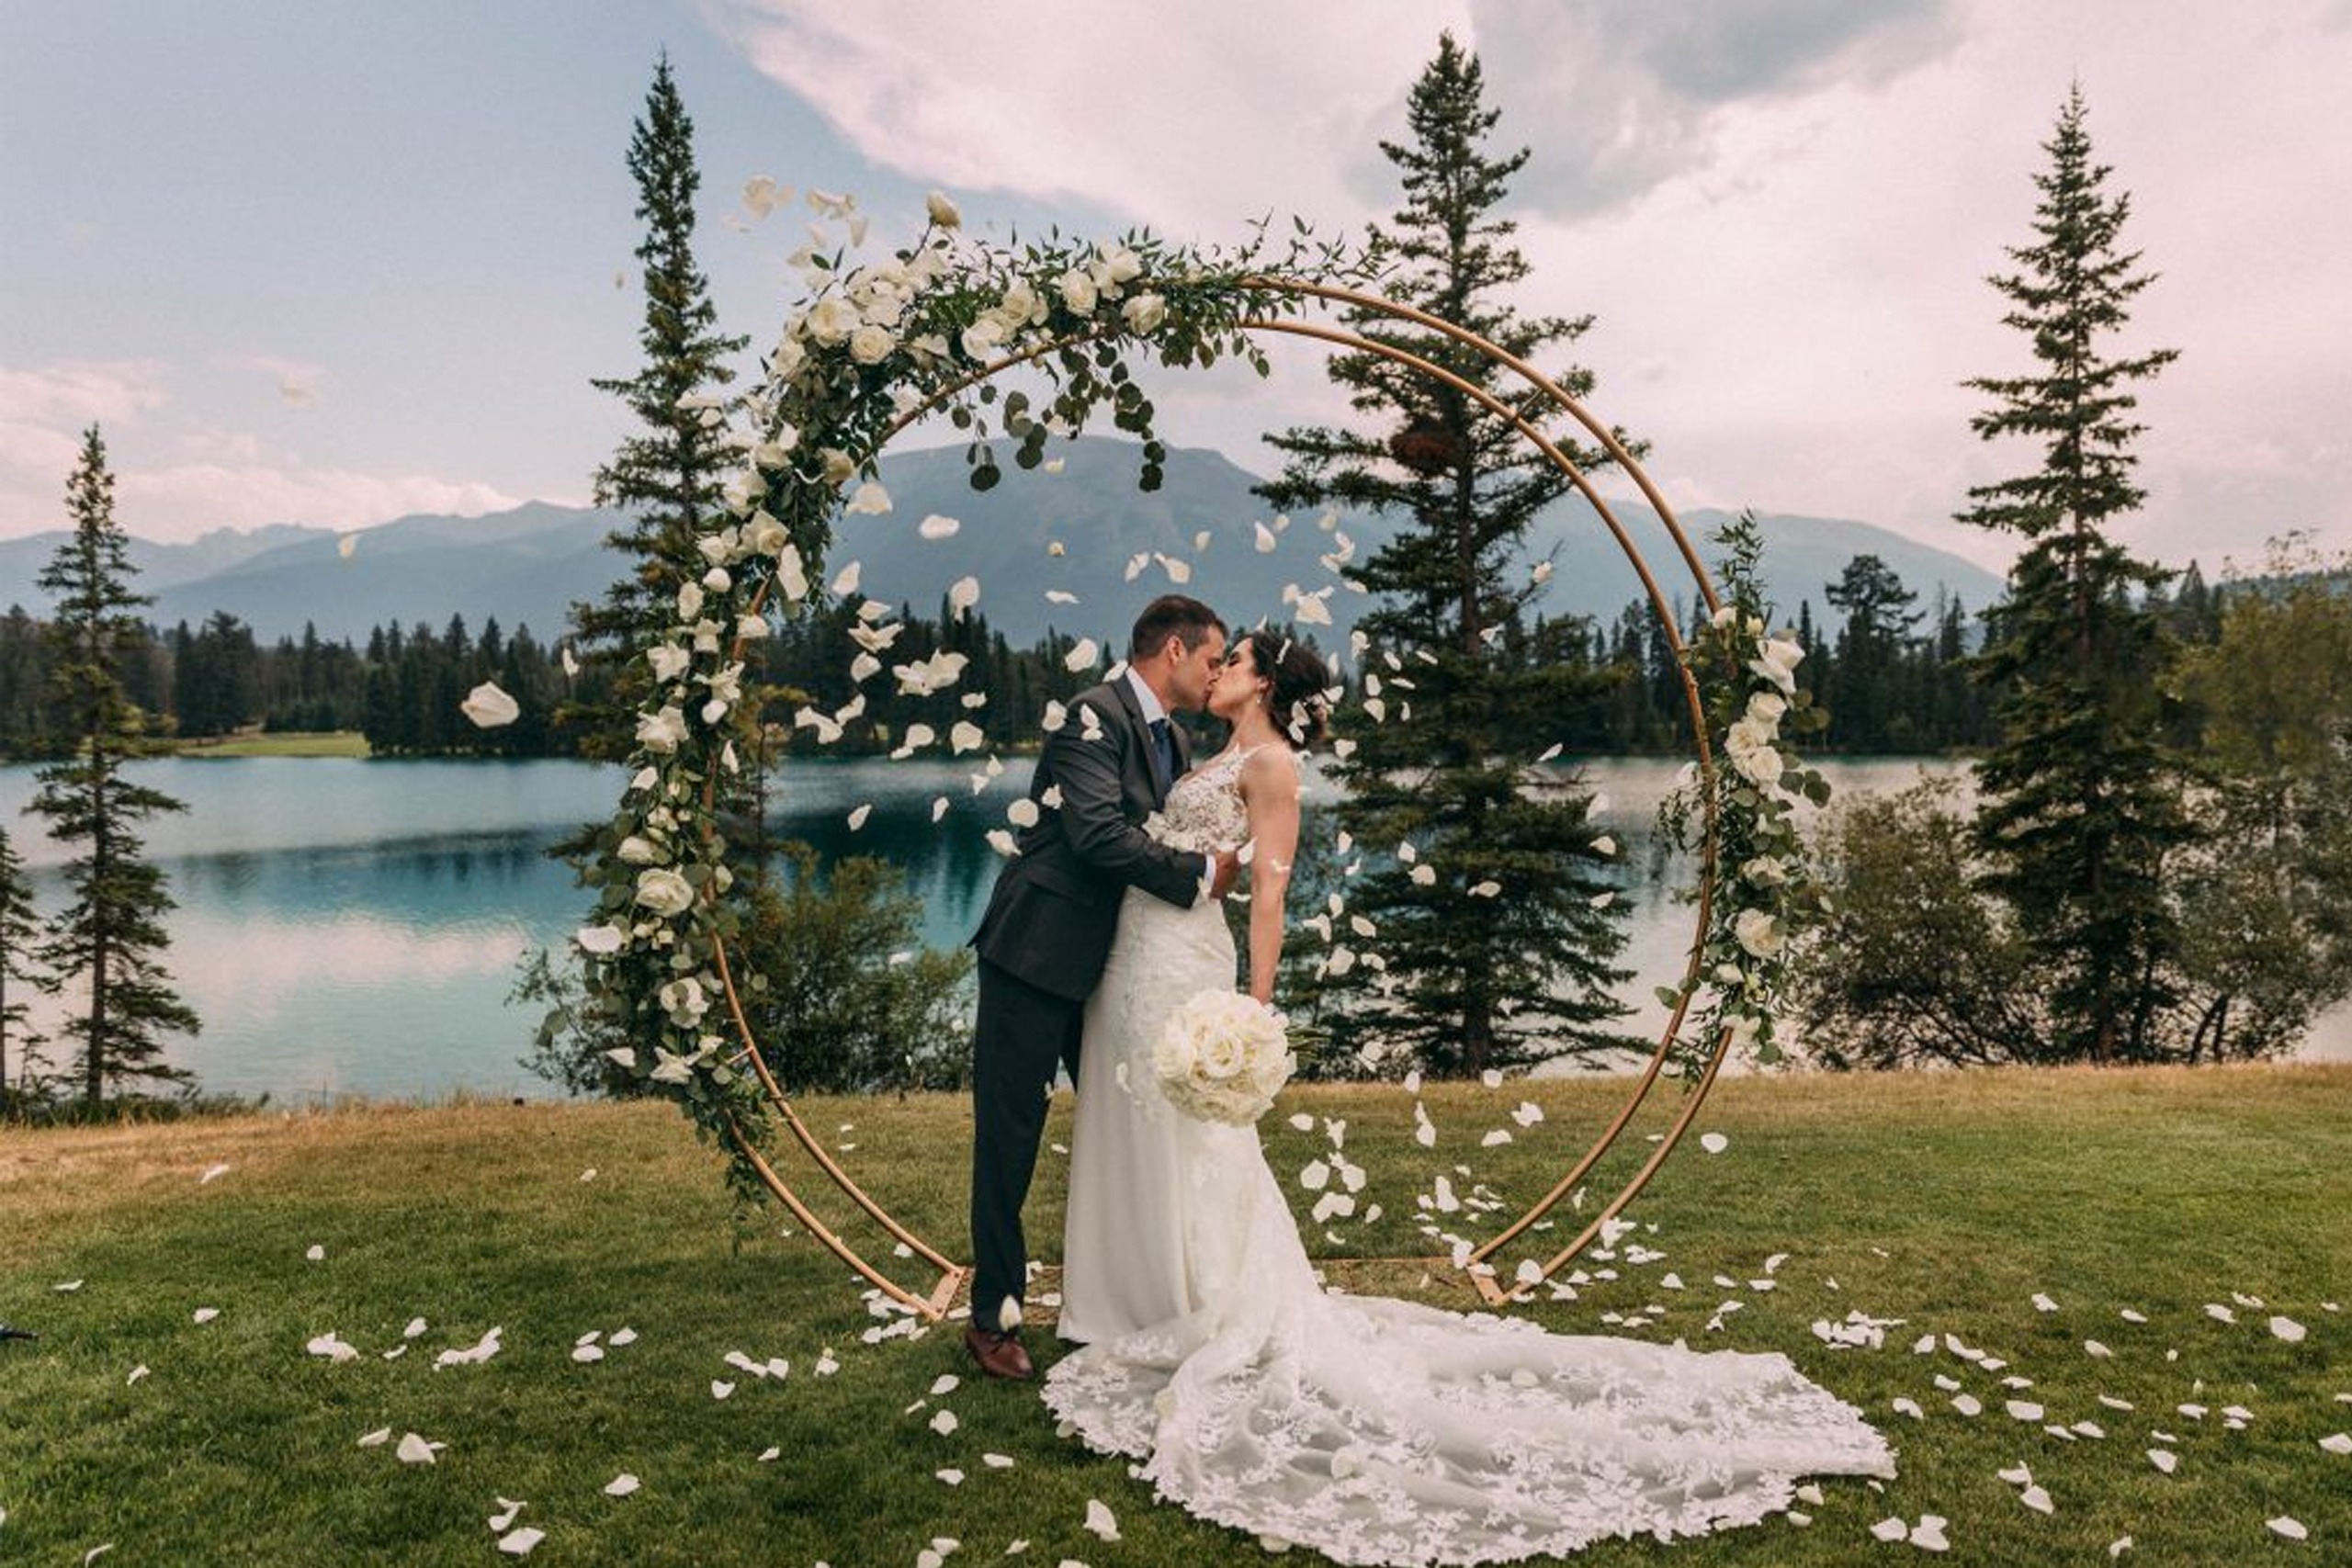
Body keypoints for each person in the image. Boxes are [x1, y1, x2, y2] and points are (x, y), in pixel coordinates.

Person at [1043, 626, 1896, 1564]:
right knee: (1147, 1129)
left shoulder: (1273, 767)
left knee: (1200, 1143)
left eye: (1235, 660)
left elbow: (1273, 895)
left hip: (1190, 963)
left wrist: (1255, 1012)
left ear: (1265, 685)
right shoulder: (1219, 751)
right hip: (1142, 957)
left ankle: (1194, 1300)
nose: (1218, 668)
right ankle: (1137, 1292)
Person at [963, 594, 1237, 1382]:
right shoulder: (1091, 714)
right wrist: (1198, 875)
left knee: (1135, 1128)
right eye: (1213, 658)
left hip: (1117, 969)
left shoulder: (1175, 736)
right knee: (1010, 1137)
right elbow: (1094, 833)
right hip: (1036, 954)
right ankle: (992, 1318)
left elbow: (1161, 826)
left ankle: (1137, 1295)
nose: (1217, 673)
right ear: (1176, 651)